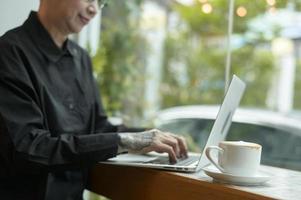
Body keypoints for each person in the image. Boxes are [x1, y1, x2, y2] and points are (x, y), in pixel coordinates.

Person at [0, 0, 188, 199]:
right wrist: (127, 141)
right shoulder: (9, 52)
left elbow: (99, 129)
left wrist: (151, 137)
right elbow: (29, 148)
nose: (94, 9)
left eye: (101, 2)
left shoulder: (81, 58)